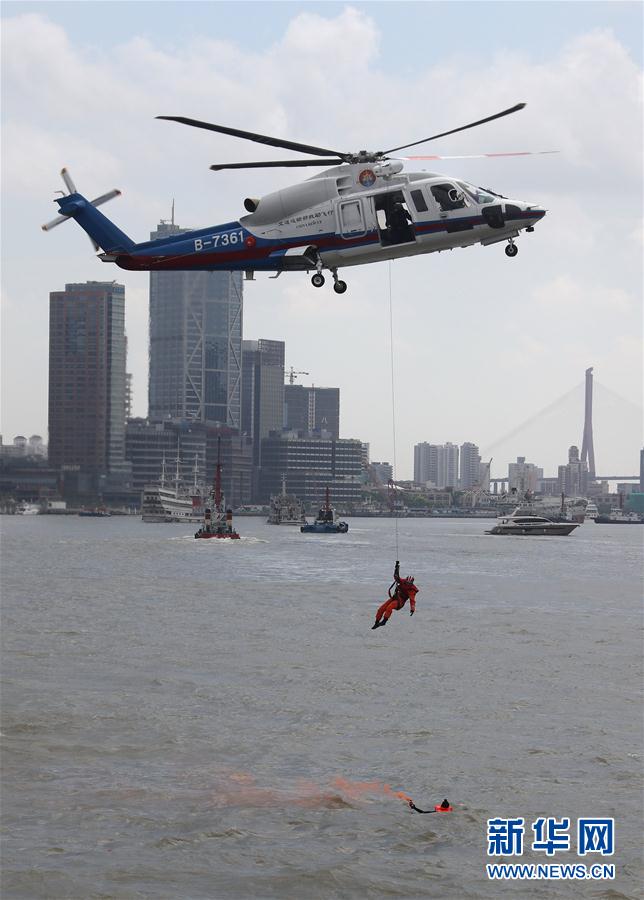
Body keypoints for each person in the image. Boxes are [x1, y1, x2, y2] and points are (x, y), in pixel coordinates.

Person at [372, 560, 418, 629]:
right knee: (381, 609)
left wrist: (412, 609)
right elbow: (397, 577)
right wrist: (396, 568)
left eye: (409, 584)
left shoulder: (412, 590)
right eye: (407, 583)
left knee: (389, 607)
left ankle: (384, 621)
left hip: (400, 602)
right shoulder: (403, 581)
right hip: (395, 597)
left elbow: (412, 600)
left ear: (411, 584)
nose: (407, 584)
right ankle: (376, 622)